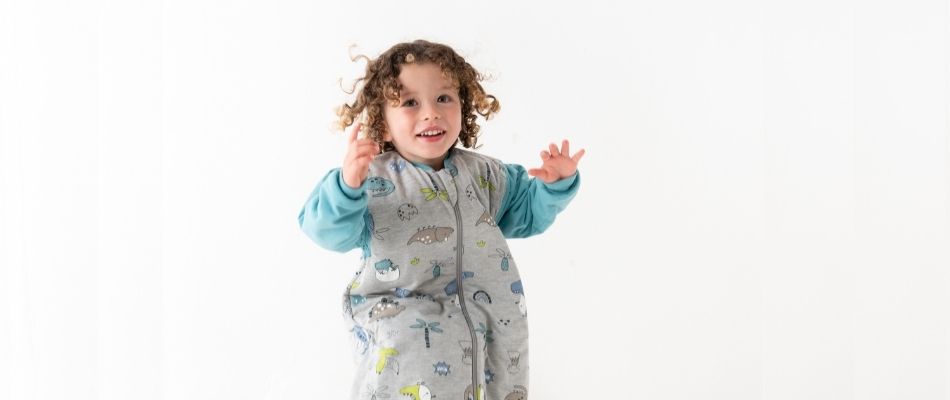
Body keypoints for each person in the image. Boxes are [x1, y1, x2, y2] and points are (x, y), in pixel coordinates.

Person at [298, 39, 585, 400]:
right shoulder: (373, 181)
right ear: (382, 125)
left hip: (489, 330)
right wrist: (345, 185)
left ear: (463, 105)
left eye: (444, 99)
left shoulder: (485, 175)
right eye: (410, 103)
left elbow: (525, 214)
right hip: (407, 338)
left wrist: (554, 187)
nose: (431, 113)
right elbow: (324, 230)